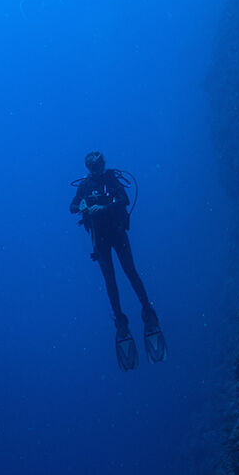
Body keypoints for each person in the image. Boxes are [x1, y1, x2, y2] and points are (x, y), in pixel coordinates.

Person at [69, 151, 165, 369]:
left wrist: (103, 207)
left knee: (131, 272)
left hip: (117, 233)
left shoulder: (112, 179)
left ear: (103, 165)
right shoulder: (84, 186)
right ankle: (121, 322)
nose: (97, 171)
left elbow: (125, 199)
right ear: (88, 168)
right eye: (93, 168)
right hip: (100, 240)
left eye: (99, 166)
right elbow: (72, 206)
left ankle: (147, 312)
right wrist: (82, 207)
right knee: (110, 281)